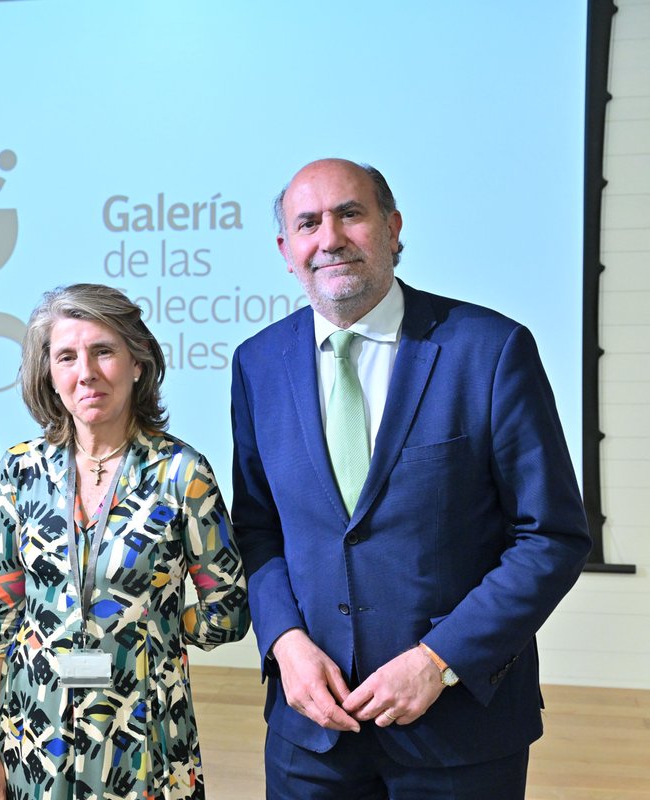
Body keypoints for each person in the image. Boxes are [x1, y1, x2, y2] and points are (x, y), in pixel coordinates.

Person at [229, 158, 592, 798]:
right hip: (310, 731)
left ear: (393, 228)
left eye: (351, 214)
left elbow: (551, 537)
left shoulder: (489, 349)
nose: (330, 238)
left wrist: (439, 661)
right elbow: (259, 529)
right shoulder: (257, 363)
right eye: (308, 223)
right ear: (287, 251)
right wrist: (285, 643)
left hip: (458, 733)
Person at [0, 283, 249, 800]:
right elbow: (0, 617)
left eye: (103, 351)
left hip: (144, 734)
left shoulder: (183, 474)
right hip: (33, 730)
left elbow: (226, 612)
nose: (86, 372)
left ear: (137, 363)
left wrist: (156, 631)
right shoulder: (21, 471)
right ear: (49, 374)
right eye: (66, 356)